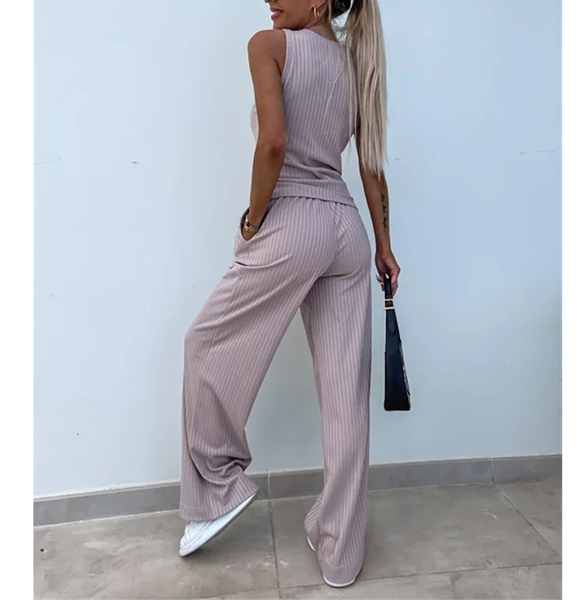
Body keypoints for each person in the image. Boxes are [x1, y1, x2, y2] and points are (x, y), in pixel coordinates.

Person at [178, 0, 401, 589]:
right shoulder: (357, 64)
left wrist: (253, 222)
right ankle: (341, 554)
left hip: (294, 220)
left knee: (205, 343)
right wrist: (384, 246)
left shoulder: (269, 46)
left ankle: (218, 489)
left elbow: (273, 143)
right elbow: (371, 165)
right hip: (347, 231)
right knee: (346, 397)